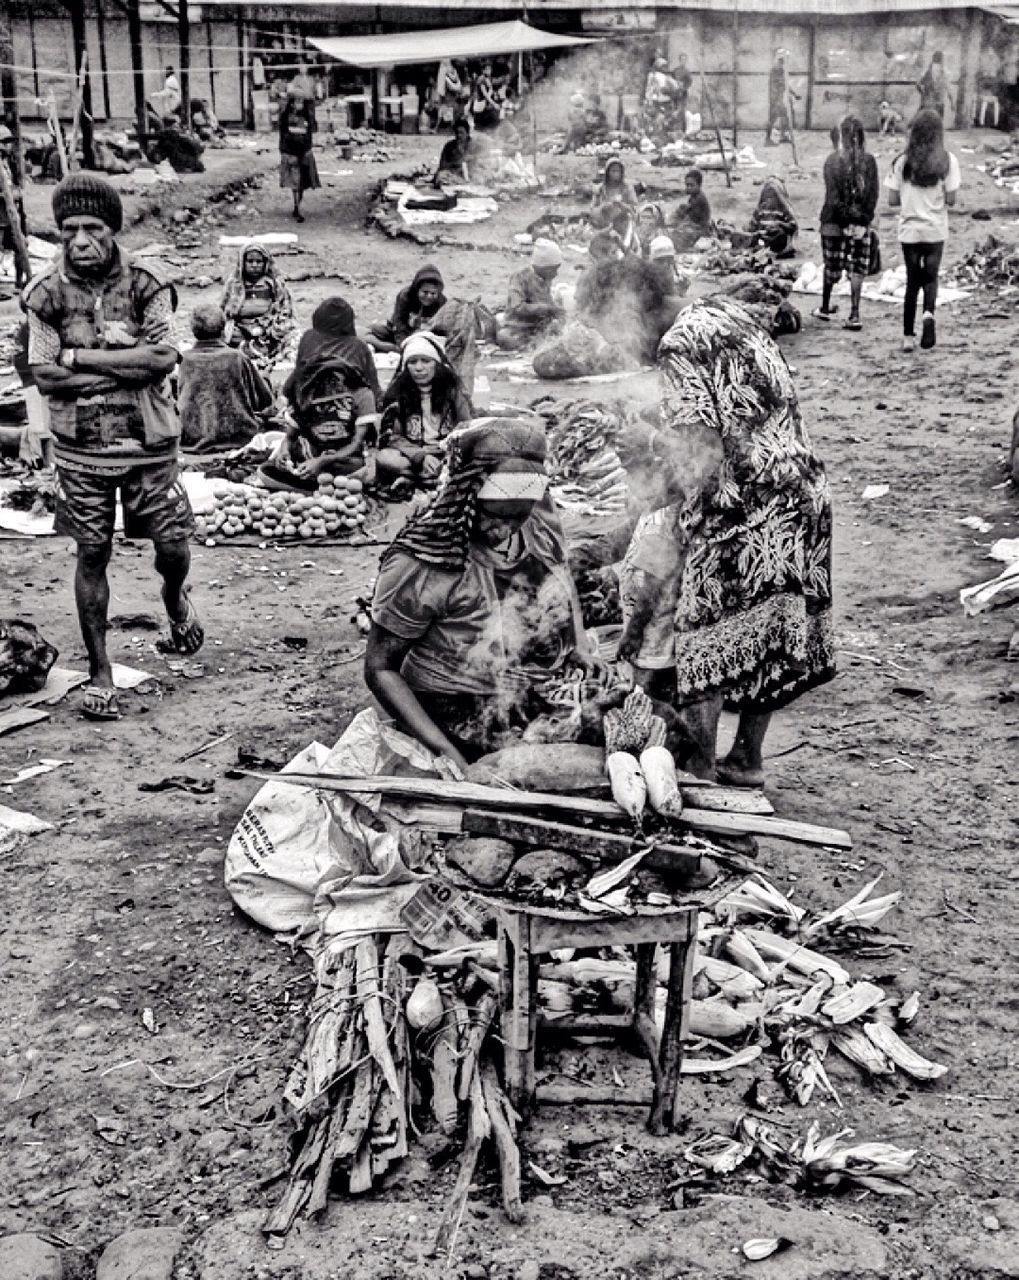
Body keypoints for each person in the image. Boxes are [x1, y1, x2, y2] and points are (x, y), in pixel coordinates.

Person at [630, 295, 835, 784]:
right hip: (801, 490)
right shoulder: (728, 315)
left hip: (744, 503)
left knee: (705, 632)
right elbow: (740, 406)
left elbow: (704, 445)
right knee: (769, 632)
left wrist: (653, 443)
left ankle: (698, 766)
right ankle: (746, 759)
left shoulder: (676, 346)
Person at [24, 174, 200, 722]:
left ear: (113, 229)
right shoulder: (46, 295)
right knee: (92, 554)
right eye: (70, 229)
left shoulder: (147, 284)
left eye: (92, 228)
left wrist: (84, 361)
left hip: (150, 443)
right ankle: (101, 668)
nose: (80, 241)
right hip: (82, 450)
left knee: (171, 546)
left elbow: (162, 359)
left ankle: (174, 598)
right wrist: (116, 371)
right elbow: (44, 374)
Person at [365, 418, 597, 770]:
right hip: (455, 705)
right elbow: (380, 668)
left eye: (519, 516)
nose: (505, 529)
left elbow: (560, 571)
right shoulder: (423, 562)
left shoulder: (536, 520)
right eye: (494, 515)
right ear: (465, 496)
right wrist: (446, 752)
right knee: (537, 771)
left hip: (527, 693)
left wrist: (578, 647)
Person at [278, 299, 380, 482]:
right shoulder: (358, 346)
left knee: (352, 462)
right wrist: (284, 449)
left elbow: (357, 441)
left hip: (344, 437)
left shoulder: (309, 338)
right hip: (313, 414)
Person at [886, 107, 961, 352]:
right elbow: (951, 199)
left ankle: (908, 336)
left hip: (910, 230)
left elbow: (892, 199)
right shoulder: (948, 161)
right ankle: (928, 314)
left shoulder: (902, 162)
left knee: (912, 282)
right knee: (931, 278)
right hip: (935, 230)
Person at [376, 332, 472, 488]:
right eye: (413, 362)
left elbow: (466, 427)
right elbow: (393, 437)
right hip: (414, 455)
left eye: (426, 361)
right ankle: (434, 477)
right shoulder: (398, 395)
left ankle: (416, 479)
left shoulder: (452, 392)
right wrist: (421, 456)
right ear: (406, 366)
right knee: (385, 457)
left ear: (436, 364)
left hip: (447, 452)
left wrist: (450, 449)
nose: (419, 368)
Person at [178, 304, 275, 451]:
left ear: (193, 331)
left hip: (191, 438)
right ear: (224, 329)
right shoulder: (237, 357)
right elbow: (264, 401)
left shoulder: (183, 360)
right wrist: (265, 378)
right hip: (237, 435)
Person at [815, 116, 880, 331]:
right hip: (860, 225)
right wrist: (860, 220)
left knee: (831, 267)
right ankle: (854, 313)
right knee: (857, 269)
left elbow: (833, 197)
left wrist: (844, 221)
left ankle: (824, 307)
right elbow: (873, 196)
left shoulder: (832, 161)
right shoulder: (869, 162)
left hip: (833, 222)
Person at [221, 242, 296, 376]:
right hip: (241, 329)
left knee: (292, 336)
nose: (254, 265)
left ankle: (267, 355)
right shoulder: (234, 284)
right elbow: (224, 311)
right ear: (243, 262)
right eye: (250, 261)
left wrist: (268, 327)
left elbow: (284, 309)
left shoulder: (274, 283)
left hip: (269, 328)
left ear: (265, 263)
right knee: (226, 337)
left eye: (258, 261)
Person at [496, 239, 566, 350]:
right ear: (543, 267)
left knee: (560, 333)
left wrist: (558, 313)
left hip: (537, 328)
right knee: (505, 337)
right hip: (517, 328)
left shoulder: (545, 279)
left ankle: (534, 345)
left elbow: (550, 305)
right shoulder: (519, 277)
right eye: (553, 269)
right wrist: (545, 308)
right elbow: (517, 307)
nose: (556, 274)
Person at [369, 265, 447, 353]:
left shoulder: (442, 302)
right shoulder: (405, 296)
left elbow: (441, 330)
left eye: (433, 293)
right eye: (425, 292)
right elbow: (399, 323)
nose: (429, 296)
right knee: (370, 330)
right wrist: (404, 344)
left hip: (425, 338)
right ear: (417, 289)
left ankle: (387, 348)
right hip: (401, 333)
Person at [279, 94, 319, 222]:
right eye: (297, 102)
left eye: (301, 102)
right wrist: (283, 150)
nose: (299, 104)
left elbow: (310, 135)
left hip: (304, 153)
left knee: (302, 183)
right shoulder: (285, 117)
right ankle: (297, 207)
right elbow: (283, 136)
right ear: (291, 103)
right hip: (291, 153)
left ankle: (297, 205)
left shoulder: (307, 117)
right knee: (295, 182)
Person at [0, 125, 28, 292]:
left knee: (20, 245)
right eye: (4, 142)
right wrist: (7, 195)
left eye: (9, 142)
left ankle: (19, 281)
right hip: (1, 215)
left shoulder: (7, 162)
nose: (8, 146)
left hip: (12, 214)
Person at [748, 177, 798, 257]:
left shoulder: (784, 210)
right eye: (767, 194)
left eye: (773, 194)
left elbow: (793, 226)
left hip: (780, 242)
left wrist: (779, 224)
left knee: (779, 235)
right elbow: (751, 228)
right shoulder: (760, 210)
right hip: (764, 241)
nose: (770, 197)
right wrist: (758, 232)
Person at [670, 168, 712, 250]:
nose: (688, 188)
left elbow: (692, 219)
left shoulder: (699, 198)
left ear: (699, 185)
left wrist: (679, 226)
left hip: (701, 229)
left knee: (678, 236)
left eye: (692, 185)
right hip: (694, 225)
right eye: (687, 185)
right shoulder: (693, 197)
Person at [766, 51, 799, 145]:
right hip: (775, 98)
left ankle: (782, 136)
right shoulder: (776, 69)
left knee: (785, 116)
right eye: (786, 58)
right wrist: (775, 100)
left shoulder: (781, 69)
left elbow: (785, 84)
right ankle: (768, 139)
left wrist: (794, 94)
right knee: (773, 118)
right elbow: (776, 85)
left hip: (778, 98)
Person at [434, 117, 478, 186]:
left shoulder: (475, 145)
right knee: (441, 176)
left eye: (461, 133)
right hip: (454, 176)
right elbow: (443, 165)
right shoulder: (449, 146)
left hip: (472, 176)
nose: (459, 135)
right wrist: (456, 164)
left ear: (467, 133)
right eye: (457, 133)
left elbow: (481, 162)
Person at [918, 51, 952, 120]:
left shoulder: (927, 70)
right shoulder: (945, 71)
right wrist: (952, 102)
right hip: (939, 101)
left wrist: (923, 94)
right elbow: (949, 89)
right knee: (938, 122)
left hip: (928, 101)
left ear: (933, 58)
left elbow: (918, 84)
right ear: (942, 59)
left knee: (927, 122)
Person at [470, 62, 501, 131]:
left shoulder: (489, 78)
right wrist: (494, 104)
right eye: (487, 69)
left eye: (490, 69)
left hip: (486, 105)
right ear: (483, 70)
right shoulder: (481, 79)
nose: (489, 71)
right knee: (481, 127)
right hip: (481, 105)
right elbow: (485, 95)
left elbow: (490, 90)